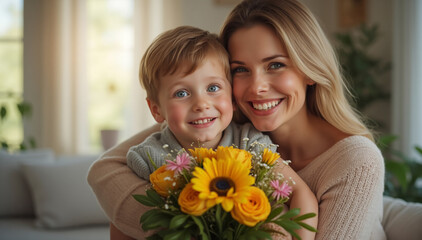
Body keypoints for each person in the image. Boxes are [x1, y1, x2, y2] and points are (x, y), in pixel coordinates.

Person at [88, 0, 385, 239]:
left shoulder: (355, 161)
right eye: (240, 69)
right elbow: (103, 170)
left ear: (309, 69)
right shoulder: (215, 121)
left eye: (276, 65)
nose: (257, 87)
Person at [92, 25, 318, 240]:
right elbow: (121, 221)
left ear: (232, 97)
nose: (201, 103)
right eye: (181, 93)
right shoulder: (148, 157)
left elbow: (301, 194)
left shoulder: (250, 144)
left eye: (213, 88)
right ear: (156, 110)